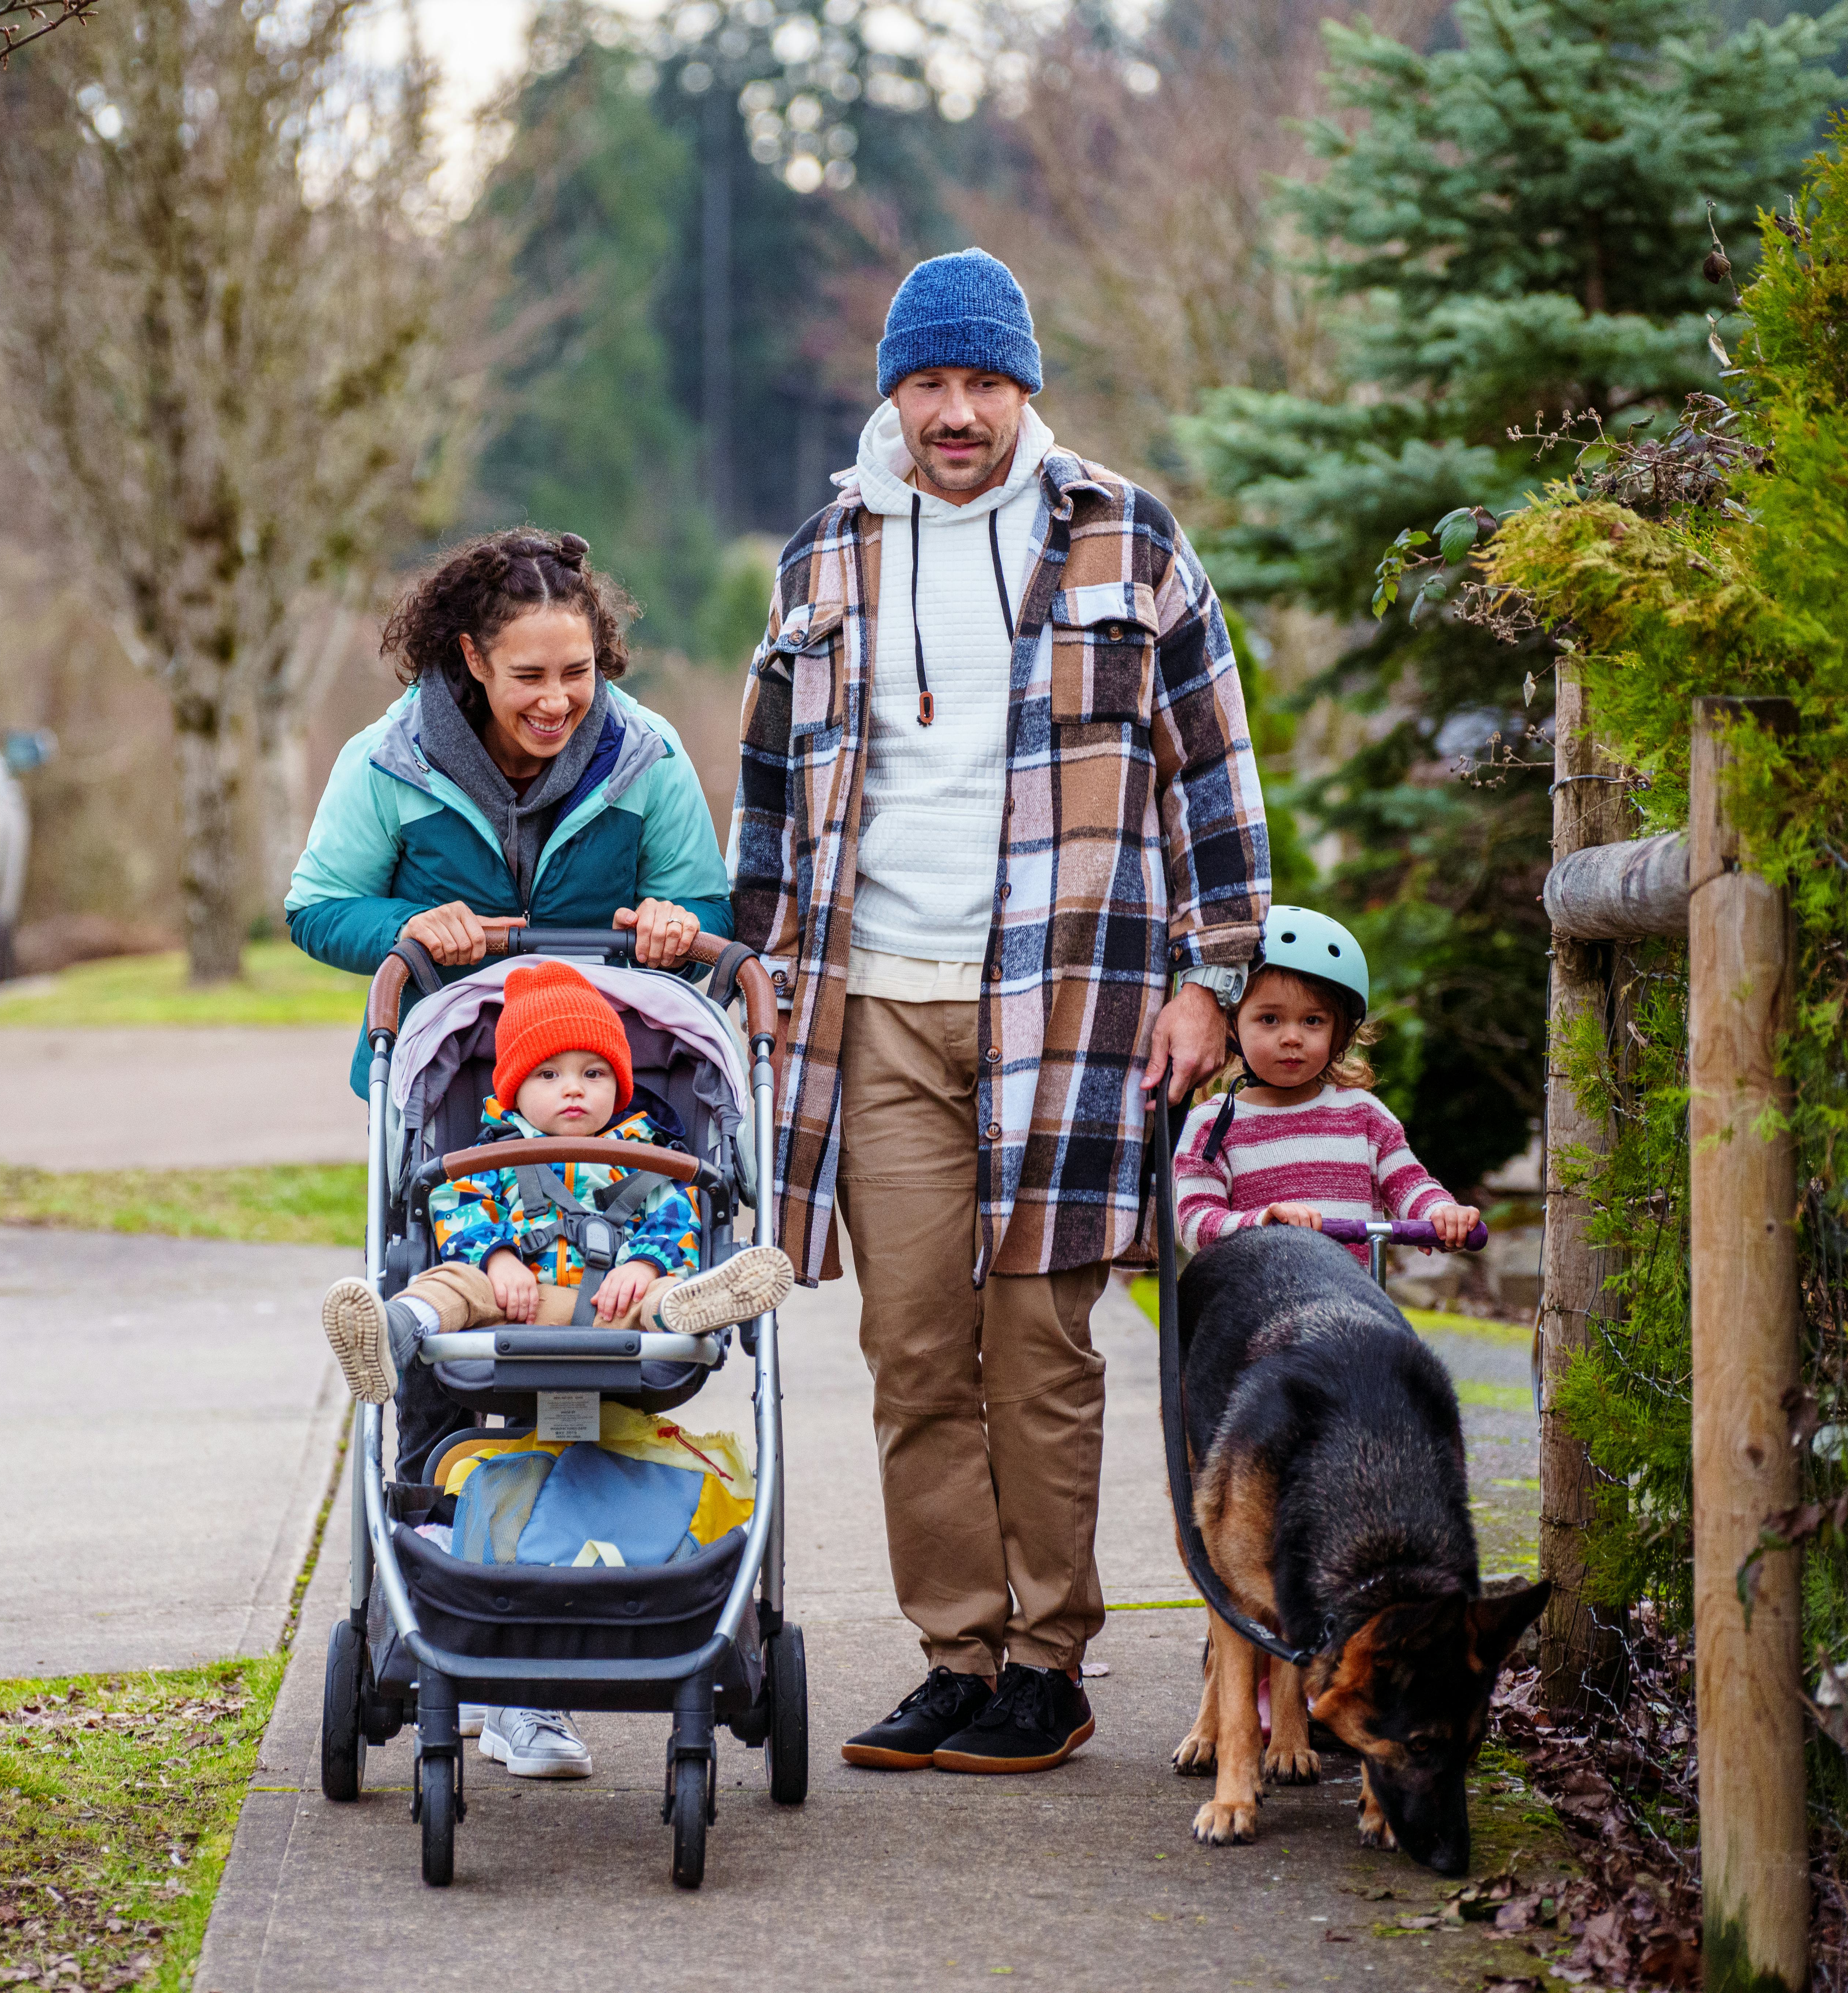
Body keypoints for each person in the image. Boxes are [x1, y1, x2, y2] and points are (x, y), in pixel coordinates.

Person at [730, 249, 1272, 1777]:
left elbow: (1215, 775)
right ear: (891, 390)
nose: (953, 413)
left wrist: (1207, 978)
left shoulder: (1126, 541)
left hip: (1071, 1009)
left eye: (980, 383)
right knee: (911, 1349)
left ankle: (1052, 1661)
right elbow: (764, 802)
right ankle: (956, 1655)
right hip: (876, 1011)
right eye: (928, 383)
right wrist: (755, 971)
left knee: (1036, 1345)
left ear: (1022, 387)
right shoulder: (821, 558)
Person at [286, 529, 735, 1779]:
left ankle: (559, 1619)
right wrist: (406, 923)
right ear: (470, 658)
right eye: (528, 674)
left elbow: (708, 910)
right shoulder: (388, 760)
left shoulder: (643, 756)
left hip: (611, 1093)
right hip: (452, 1096)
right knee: (443, 1346)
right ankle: (461, 1622)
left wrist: (669, 924)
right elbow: (317, 906)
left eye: (578, 673)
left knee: (584, 1346)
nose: (556, 701)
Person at [320, 959, 794, 1389]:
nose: (573, 1089)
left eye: (594, 1074)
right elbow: (458, 1204)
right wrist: (497, 1260)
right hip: (514, 1305)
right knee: (452, 1282)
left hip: (615, 1305)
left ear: (620, 1086)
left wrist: (644, 1264)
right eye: (548, 1076)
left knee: (663, 1293)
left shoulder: (646, 1152)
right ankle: (393, 1331)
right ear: (514, 1091)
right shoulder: (494, 1154)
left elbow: (675, 1215)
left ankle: (699, 1308)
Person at [1171, 907, 1481, 1262]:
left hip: (1352, 1306)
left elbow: (1408, 1183)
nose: (1291, 1037)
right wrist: (1260, 1223)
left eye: (1312, 1020)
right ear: (1231, 1026)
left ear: (1340, 1033)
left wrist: (1439, 1213)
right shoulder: (1210, 1127)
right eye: (1269, 1018)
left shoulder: (1363, 1116)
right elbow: (1195, 1223)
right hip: (1257, 1305)